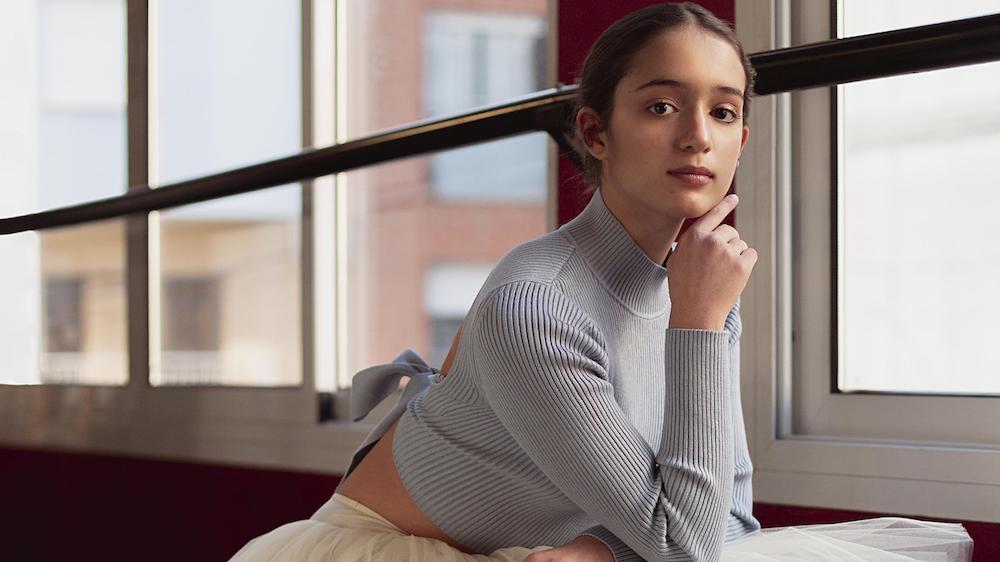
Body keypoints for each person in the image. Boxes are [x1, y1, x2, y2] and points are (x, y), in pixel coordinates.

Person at [230, 3, 972, 561]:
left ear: (741, 141)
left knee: (925, 545)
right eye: (660, 105)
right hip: (383, 553)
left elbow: (729, 517)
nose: (697, 135)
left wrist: (601, 547)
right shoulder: (539, 303)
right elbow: (689, 549)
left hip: (550, 555)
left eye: (723, 111)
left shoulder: (695, 281)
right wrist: (698, 329)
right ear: (594, 133)